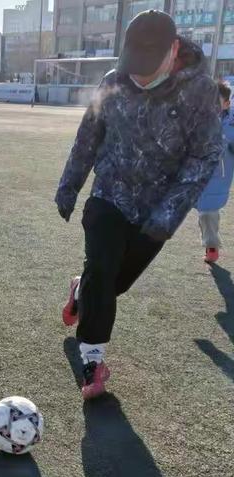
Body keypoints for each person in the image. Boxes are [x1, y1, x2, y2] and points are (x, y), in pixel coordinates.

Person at [55, 10, 223, 400]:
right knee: (102, 265)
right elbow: (88, 137)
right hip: (108, 197)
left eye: (149, 65)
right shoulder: (113, 81)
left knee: (113, 285)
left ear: (174, 50)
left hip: (156, 210)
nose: (140, 75)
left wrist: (167, 214)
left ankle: (81, 293)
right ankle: (92, 362)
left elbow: (204, 157)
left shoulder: (200, 91)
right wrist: (69, 187)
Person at [196, 81, 234, 263]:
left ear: (227, 103)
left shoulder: (232, 124)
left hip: (218, 178)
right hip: (192, 175)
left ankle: (211, 247)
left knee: (207, 212)